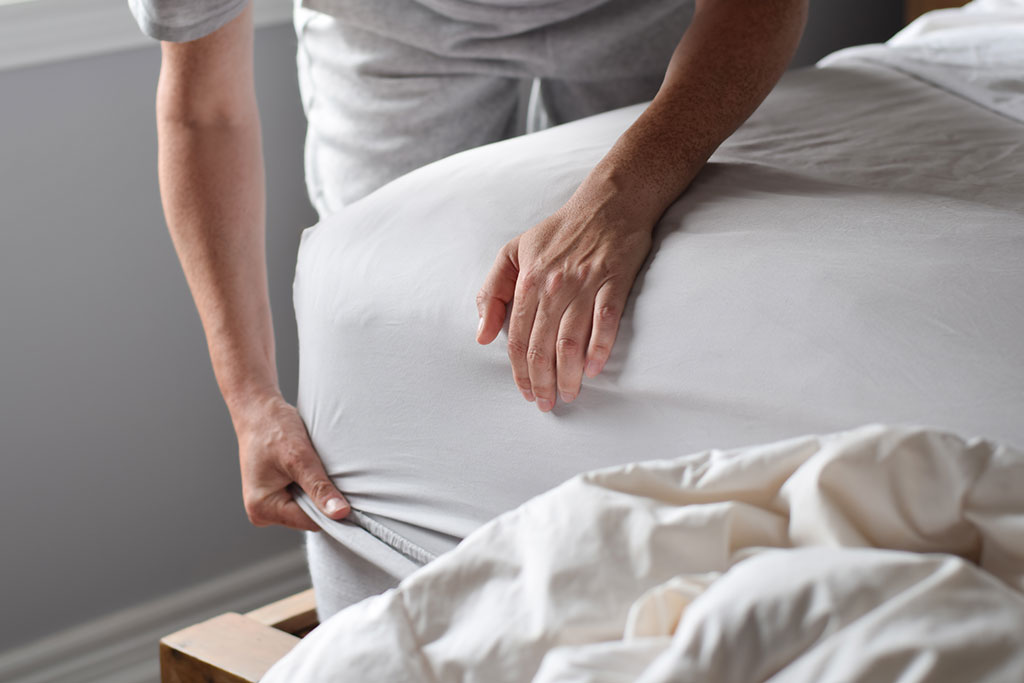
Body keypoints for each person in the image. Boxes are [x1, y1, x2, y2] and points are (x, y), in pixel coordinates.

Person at [131, 0, 806, 610]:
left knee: (631, 327)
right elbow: (204, 111)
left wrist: (622, 199)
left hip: (637, 18)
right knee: (390, 341)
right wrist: (249, 398)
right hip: (388, 31)